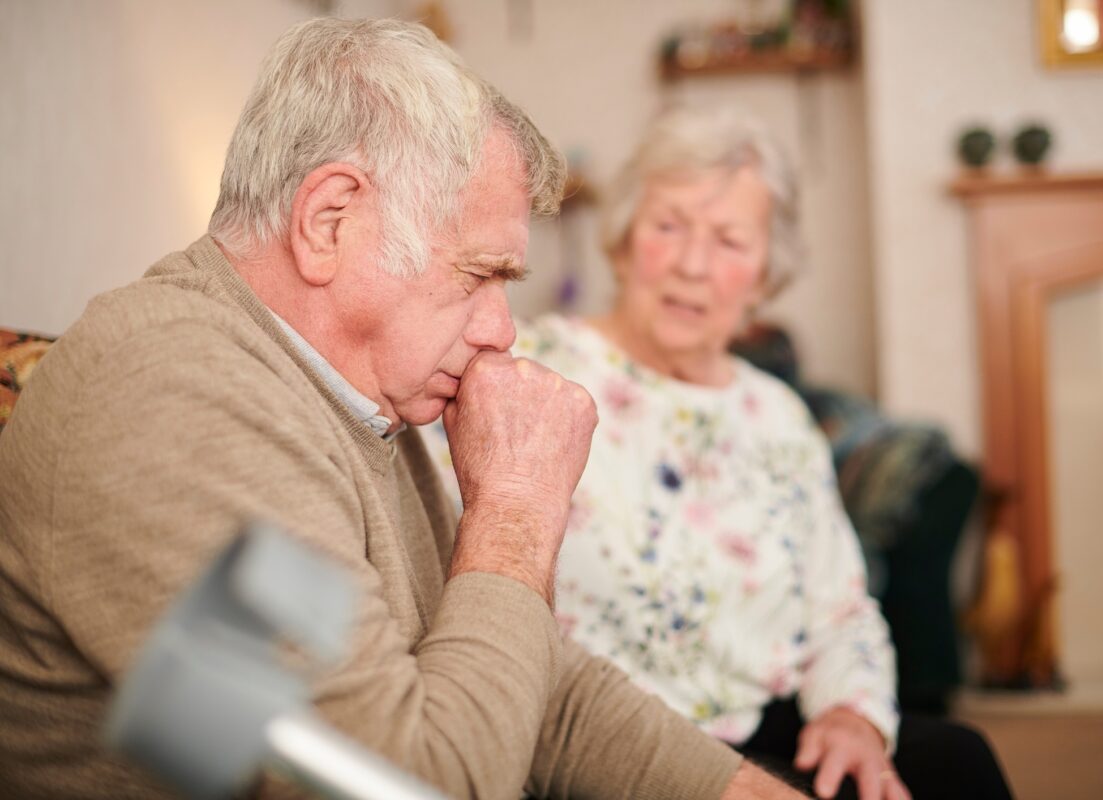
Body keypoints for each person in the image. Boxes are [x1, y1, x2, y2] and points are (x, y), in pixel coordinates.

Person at [0, 20, 805, 800]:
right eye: (477, 275)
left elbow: (534, 690)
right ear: (329, 220)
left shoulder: (351, 390)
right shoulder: (173, 393)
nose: (502, 329)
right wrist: (517, 511)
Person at [425, 104, 1015, 800]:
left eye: (731, 241)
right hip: (600, 738)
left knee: (955, 762)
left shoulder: (779, 418)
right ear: (623, 241)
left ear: (766, 275)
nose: (693, 265)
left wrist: (852, 716)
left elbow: (842, 611)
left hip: (762, 725)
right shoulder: (518, 369)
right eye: (669, 227)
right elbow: (434, 550)